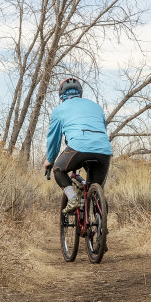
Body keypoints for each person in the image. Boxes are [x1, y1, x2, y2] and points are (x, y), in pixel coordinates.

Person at [43, 76, 112, 213]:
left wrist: (50, 160)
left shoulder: (59, 109)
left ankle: (73, 199)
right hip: (104, 149)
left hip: (78, 147)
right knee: (96, 189)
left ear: (61, 94)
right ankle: (101, 227)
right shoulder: (97, 107)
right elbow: (102, 129)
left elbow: (54, 139)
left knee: (58, 170)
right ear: (80, 92)